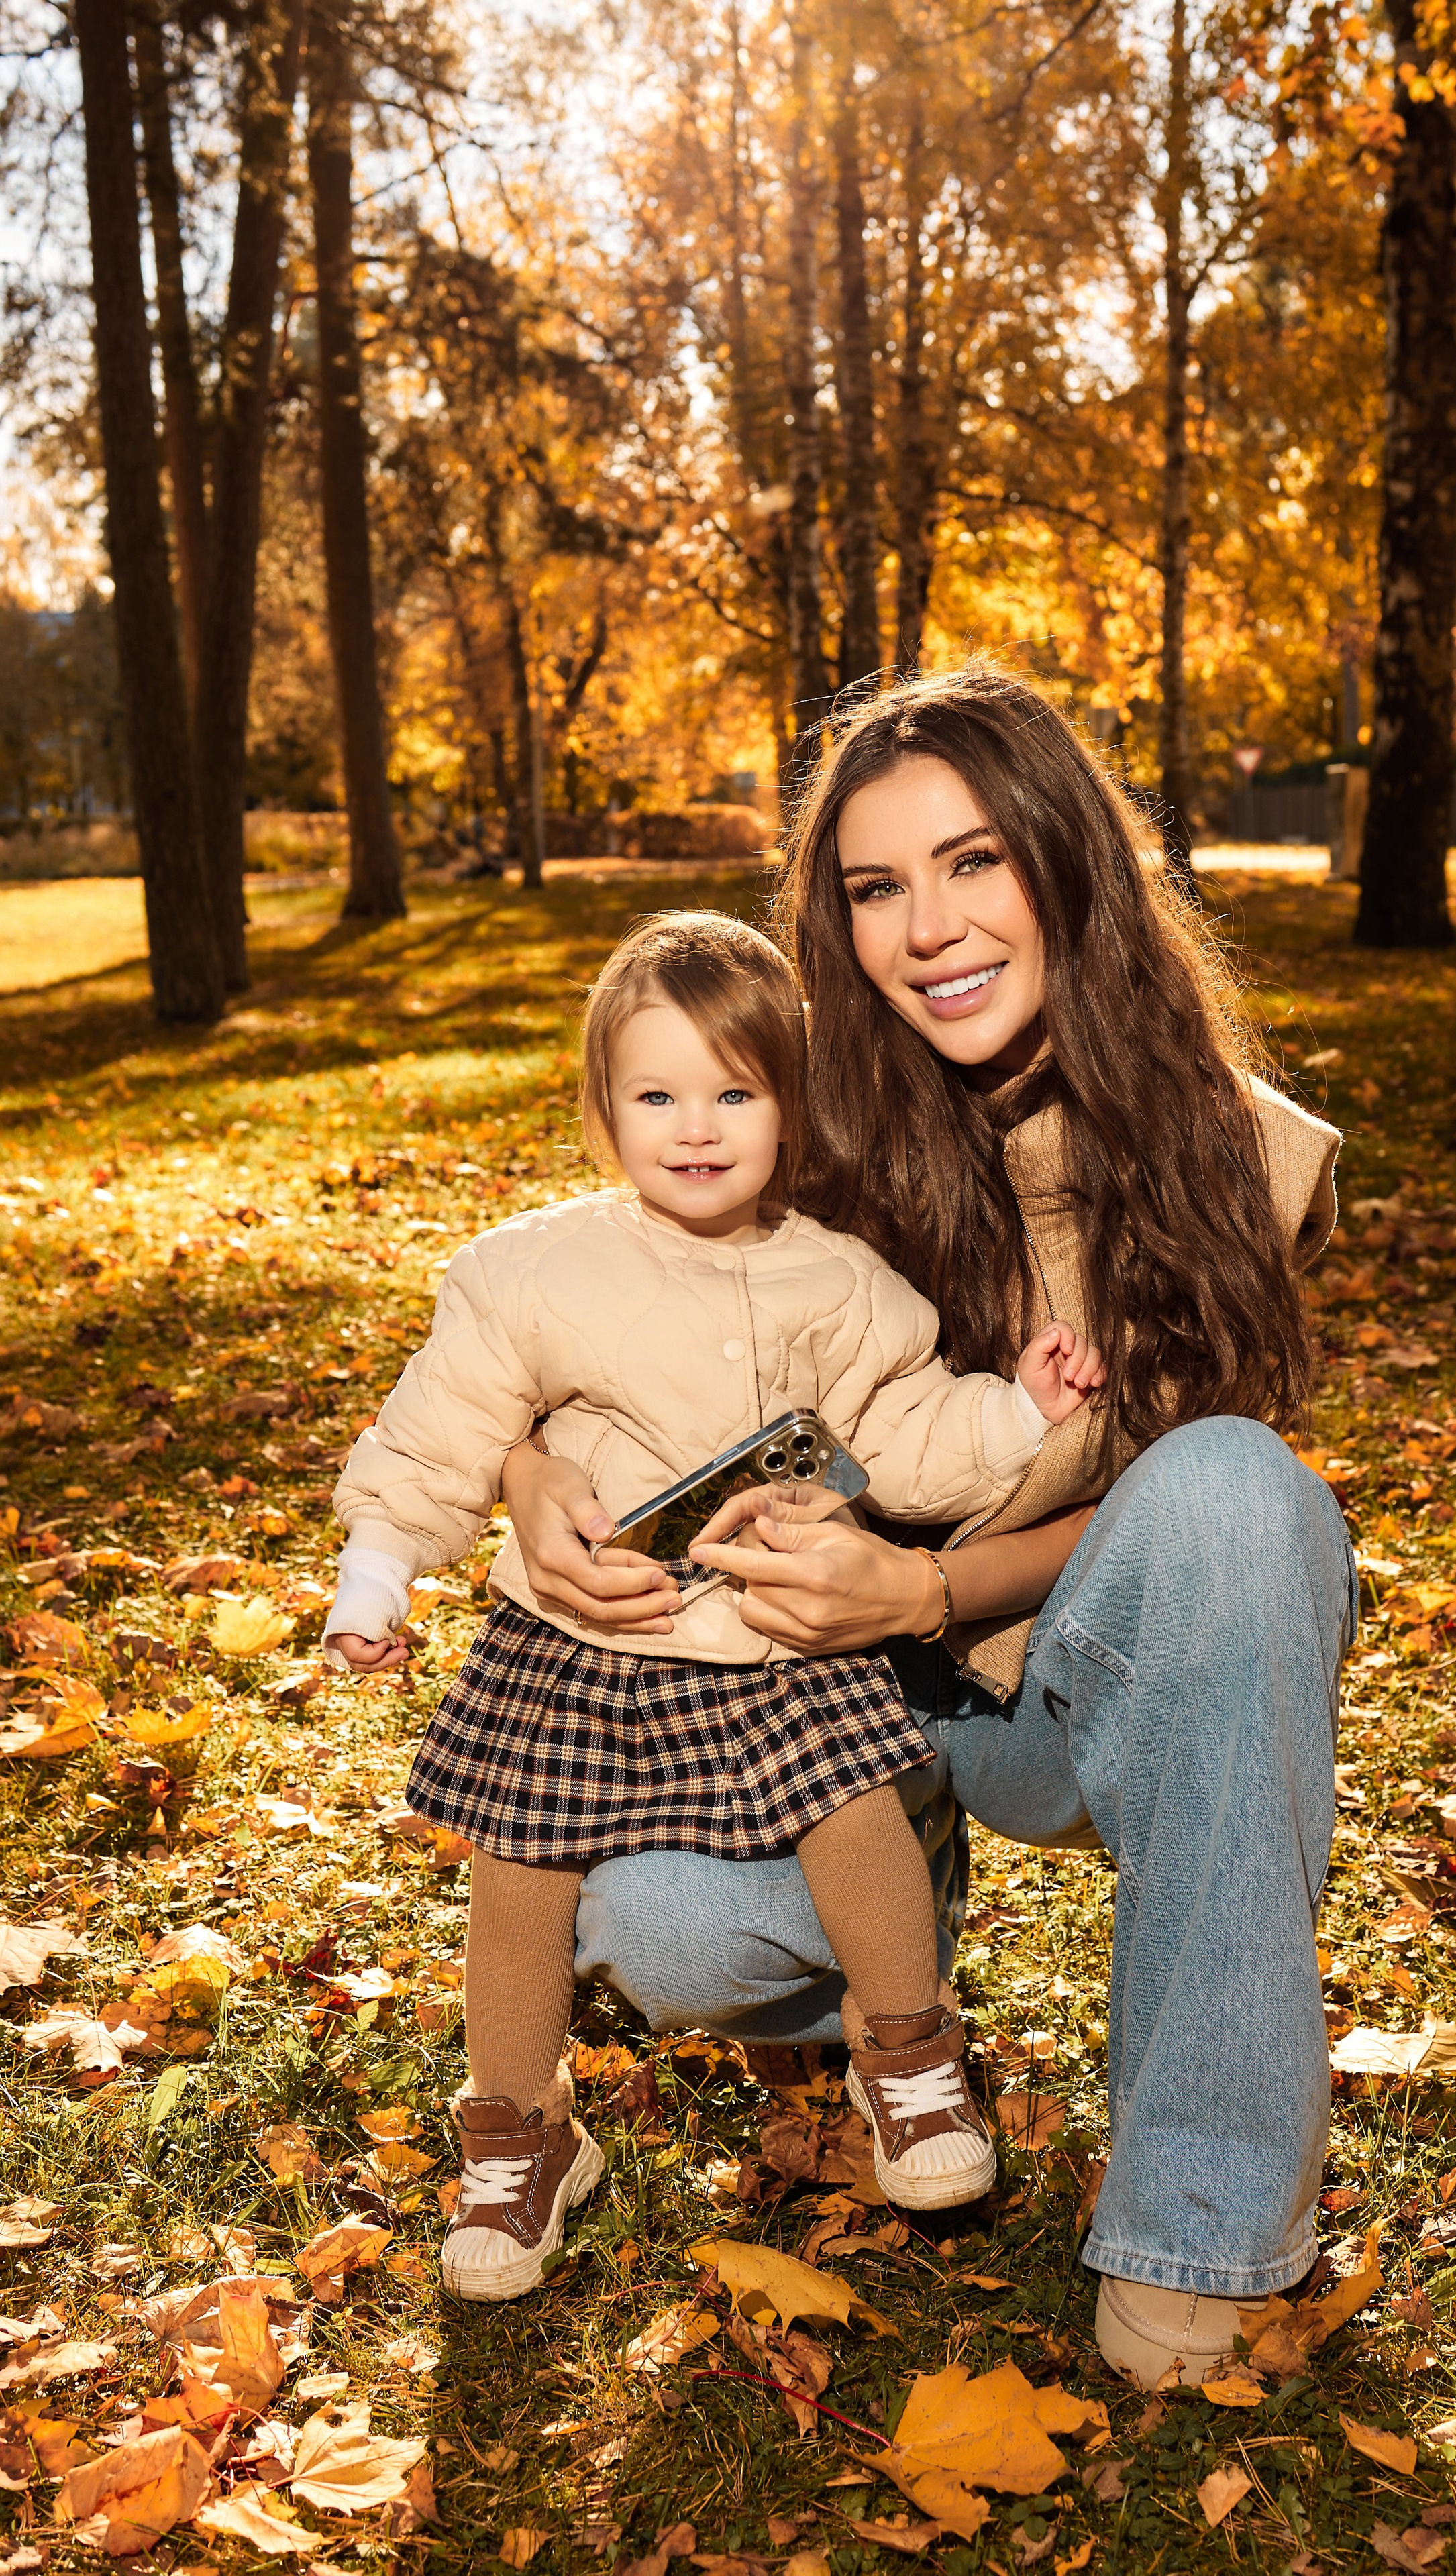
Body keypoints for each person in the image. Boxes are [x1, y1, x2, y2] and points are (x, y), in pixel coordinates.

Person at [499, 663, 1355, 2394]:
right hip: (818, 1703)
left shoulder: (1241, 1156)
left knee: (1243, 1497)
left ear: (1064, 862)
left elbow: (1172, 1494)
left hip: (1063, 1680)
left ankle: (1202, 2201)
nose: (928, 927)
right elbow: (567, 1308)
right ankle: (893, 1965)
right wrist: (531, 1481)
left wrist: (925, 1583)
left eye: (972, 863)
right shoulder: (798, 1121)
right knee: (657, 1936)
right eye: (876, 888)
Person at [322, 910, 1104, 2299]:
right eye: (657, 1094)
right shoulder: (532, 1270)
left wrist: (1015, 1412)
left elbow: (900, 1427)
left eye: (734, 1092)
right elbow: (443, 1426)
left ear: (788, 1111)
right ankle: (517, 2134)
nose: (696, 1127)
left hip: (769, 1629)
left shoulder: (837, 1279)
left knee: (846, 1800)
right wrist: (376, 1573)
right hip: (581, 1641)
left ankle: (905, 2055)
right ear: (601, 1109)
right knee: (517, 1873)